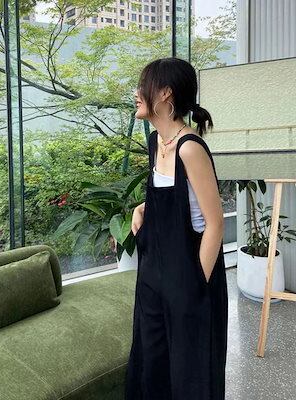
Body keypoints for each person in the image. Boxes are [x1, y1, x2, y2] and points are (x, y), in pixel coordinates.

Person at [124, 57, 228, 400]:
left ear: (165, 93)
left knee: (189, 373)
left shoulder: (190, 148)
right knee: (151, 365)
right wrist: (143, 208)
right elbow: (172, 197)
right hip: (153, 276)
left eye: (143, 86)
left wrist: (196, 284)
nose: (137, 93)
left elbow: (215, 223)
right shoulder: (157, 141)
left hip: (187, 279)